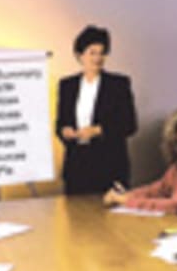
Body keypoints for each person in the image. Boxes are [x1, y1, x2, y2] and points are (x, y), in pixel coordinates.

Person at [56, 25, 138, 194]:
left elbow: (130, 124)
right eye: (92, 53)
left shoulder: (118, 84)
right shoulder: (67, 86)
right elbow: (60, 123)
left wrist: (98, 130)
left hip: (109, 165)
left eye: (102, 53)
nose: (98, 58)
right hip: (76, 166)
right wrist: (65, 131)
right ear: (80, 55)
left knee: (110, 211)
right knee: (76, 211)